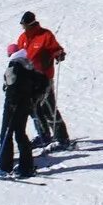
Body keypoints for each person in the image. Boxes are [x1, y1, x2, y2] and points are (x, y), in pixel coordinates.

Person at [16, 12, 72, 150]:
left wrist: (58, 54)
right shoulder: (23, 38)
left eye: (25, 25)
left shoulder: (45, 35)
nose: (23, 28)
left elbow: (55, 48)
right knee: (33, 108)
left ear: (31, 23)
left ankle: (62, 138)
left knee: (48, 106)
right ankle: (43, 135)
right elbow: (19, 54)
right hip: (28, 78)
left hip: (44, 77)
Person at [0, 46, 46, 179]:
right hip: (25, 104)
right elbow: (42, 81)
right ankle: (26, 167)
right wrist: (33, 97)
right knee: (20, 134)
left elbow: (13, 86)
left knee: (6, 134)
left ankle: (4, 167)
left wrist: (12, 101)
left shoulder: (15, 65)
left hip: (14, 105)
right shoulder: (27, 64)